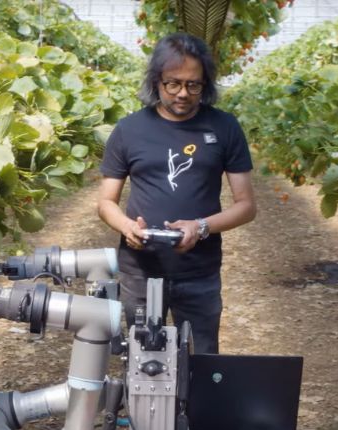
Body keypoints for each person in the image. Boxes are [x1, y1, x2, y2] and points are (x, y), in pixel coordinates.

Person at [96, 32, 256, 354]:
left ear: (205, 84)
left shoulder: (224, 127)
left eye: (193, 85)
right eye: (173, 84)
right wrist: (128, 227)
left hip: (199, 271)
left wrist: (200, 227)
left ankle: (196, 406)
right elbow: (105, 202)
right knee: (143, 362)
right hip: (140, 270)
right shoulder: (129, 129)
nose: (183, 93)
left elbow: (246, 206)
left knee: (200, 361)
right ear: (156, 81)